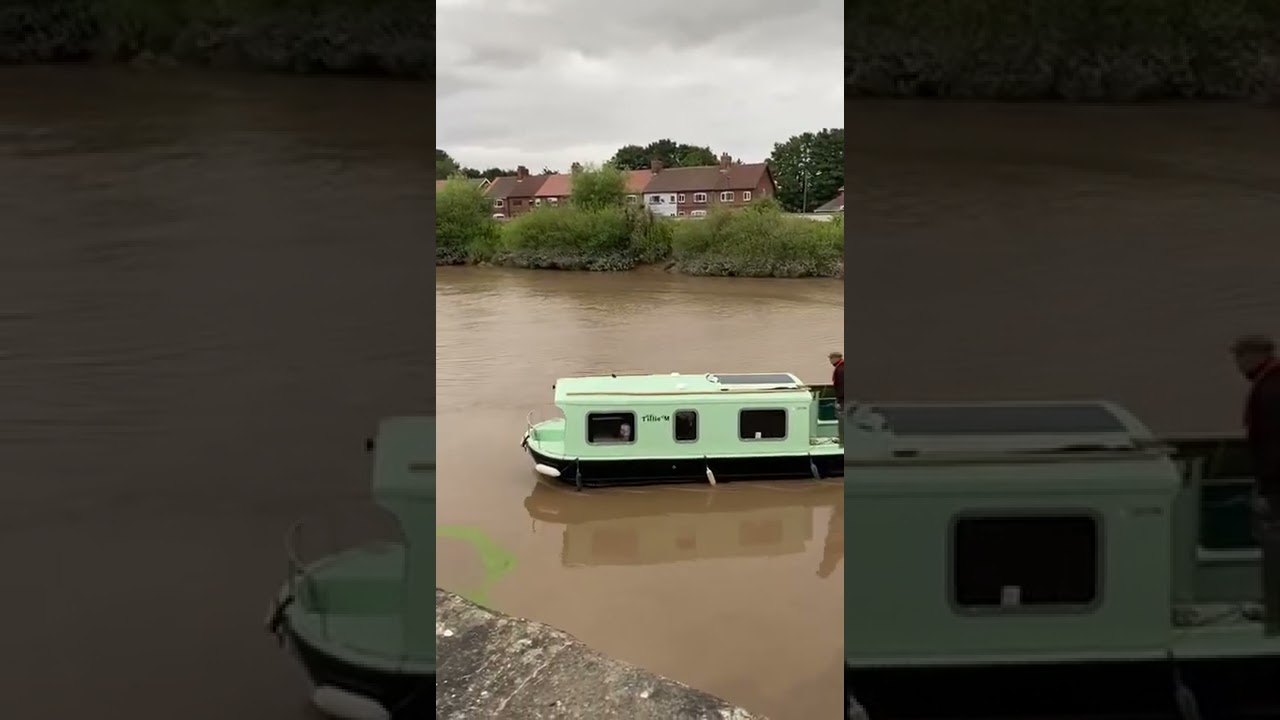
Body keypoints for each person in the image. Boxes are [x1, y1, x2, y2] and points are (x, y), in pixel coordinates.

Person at [1232, 334, 1280, 635]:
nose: (1237, 364)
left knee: (1275, 544)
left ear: (1256, 355)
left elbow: (1272, 443)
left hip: (1277, 484)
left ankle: (1276, 617)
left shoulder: (1270, 388)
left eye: (1239, 356)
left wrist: (1266, 486)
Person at [829, 351, 845, 445]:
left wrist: (840, 399)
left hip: (844, 398)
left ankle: (843, 439)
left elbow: (842, 385)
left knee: (842, 418)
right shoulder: (841, 367)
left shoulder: (841, 369)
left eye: (831, 358)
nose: (830, 361)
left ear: (836, 358)